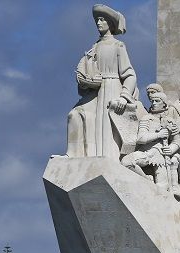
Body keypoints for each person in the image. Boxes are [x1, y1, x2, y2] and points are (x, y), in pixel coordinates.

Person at [66, 4, 138, 159]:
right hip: (95, 92)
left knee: (106, 129)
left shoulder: (118, 45)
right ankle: (74, 154)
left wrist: (123, 97)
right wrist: (84, 82)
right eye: (97, 21)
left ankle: (108, 160)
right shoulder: (94, 47)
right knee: (75, 115)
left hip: (112, 89)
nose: (98, 23)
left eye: (102, 20)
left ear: (110, 23)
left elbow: (129, 74)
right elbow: (87, 71)